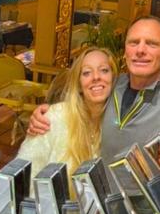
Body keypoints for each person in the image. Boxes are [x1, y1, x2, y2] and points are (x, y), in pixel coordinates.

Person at [28, 16, 160, 174]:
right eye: (134, 42)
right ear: (125, 50)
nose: (140, 50)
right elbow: (76, 109)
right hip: (102, 202)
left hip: (148, 211)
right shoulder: (111, 85)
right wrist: (46, 116)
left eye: (151, 44)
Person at [18, 47, 118, 187]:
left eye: (104, 70)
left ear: (114, 78)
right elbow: (23, 175)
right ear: (78, 83)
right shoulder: (54, 118)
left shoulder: (120, 122)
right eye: (87, 72)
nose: (96, 77)